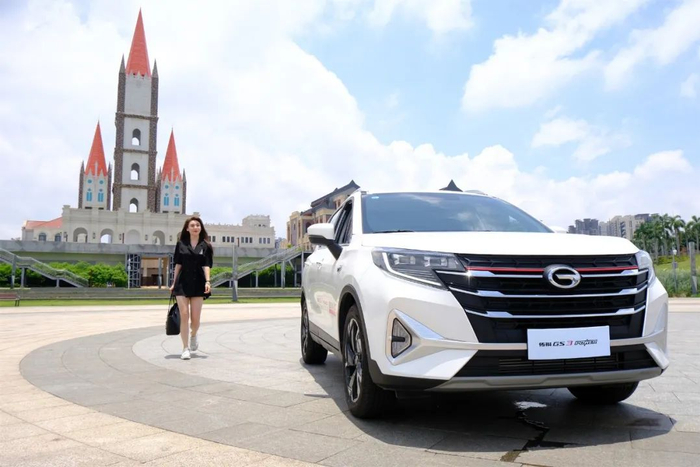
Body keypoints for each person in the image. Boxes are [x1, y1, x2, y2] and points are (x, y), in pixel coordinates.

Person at [170, 216, 213, 360]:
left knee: (195, 319)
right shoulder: (181, 244)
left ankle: (193, 334)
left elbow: (206, 265)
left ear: (201, 228)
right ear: (187, 229)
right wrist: (173, 282)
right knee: (184, 315)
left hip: (198, 283)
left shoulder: (205, 246)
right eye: (192, 225)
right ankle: (185, 348)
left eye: (198, 225)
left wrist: (208, 281)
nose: (195, 227)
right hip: (182, 283)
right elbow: (178, 264)